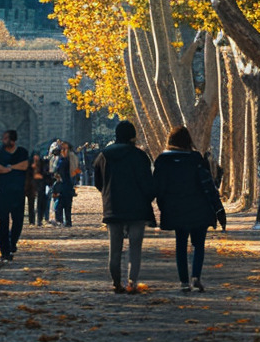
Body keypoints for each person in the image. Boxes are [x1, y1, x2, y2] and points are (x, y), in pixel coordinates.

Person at [153, 125, 226, 292]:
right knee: (198, 244)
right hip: (199, 209)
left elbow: (158, 187)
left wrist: (162, 206)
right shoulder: (196, 159)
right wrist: (218, 209)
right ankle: (196, 277)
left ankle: (184, 282)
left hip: (176, 210)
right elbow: (208, 186)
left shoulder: (163, 160)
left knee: (181, 244)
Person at [94, 120, 155, 294]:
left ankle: (116, 283)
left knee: (115, 248)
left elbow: (98, 182)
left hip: (113, 206)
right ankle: (132, 283)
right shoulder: (140, 156)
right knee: (135, 248)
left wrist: (107, 194)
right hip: (137, 208)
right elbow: (147, 182)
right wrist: (148, 198)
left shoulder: (103, 156)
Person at [0, 129, 30, 260]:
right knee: (3, 222)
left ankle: (12, 242)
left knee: (18, 221)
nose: (3, 140)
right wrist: (12, 168)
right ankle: (5, 252)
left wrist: (9, 168)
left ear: (12, 140)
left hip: (18, 192)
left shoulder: (22, 152)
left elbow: (25, 166)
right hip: (3, 192)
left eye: (6, 138)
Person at [51, 140, 78, 226]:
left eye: (65, 149)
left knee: (67, 204)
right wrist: (55, 176)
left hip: (68, 184)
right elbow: (53, 169)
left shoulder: (72, 157)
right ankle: (59, 221)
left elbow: (77, 169)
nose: (63, 150)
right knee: (58, 204)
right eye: (62, 149)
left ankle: (68, 221)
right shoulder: (58, 159)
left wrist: (73, 177)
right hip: (59, 184)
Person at [25, 152, 48, 226]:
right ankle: (31, 221)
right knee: (31, 205)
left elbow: (45, 174)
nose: (36, 158)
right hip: (30, 188)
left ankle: (39, 220)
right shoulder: (29, 164)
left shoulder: (42, 163)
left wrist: (41, 176)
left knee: (40, 204)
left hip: (40, 185)